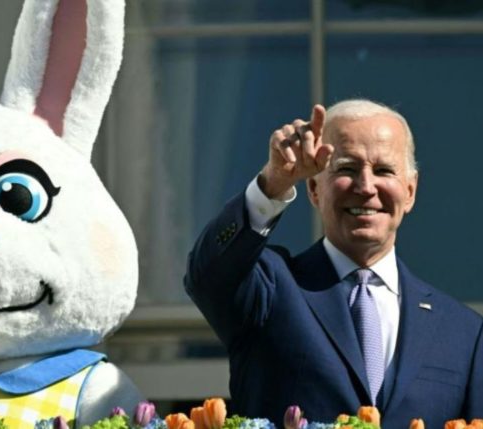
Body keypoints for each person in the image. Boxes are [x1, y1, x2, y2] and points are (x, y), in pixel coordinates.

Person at [183, 99, 483, 427]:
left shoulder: (463, 333)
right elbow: (206, 274)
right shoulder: (271, 288)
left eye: (383, 170)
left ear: (409, 192)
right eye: (347, 169)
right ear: (314, 188)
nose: (366, 187)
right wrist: (274, 181)